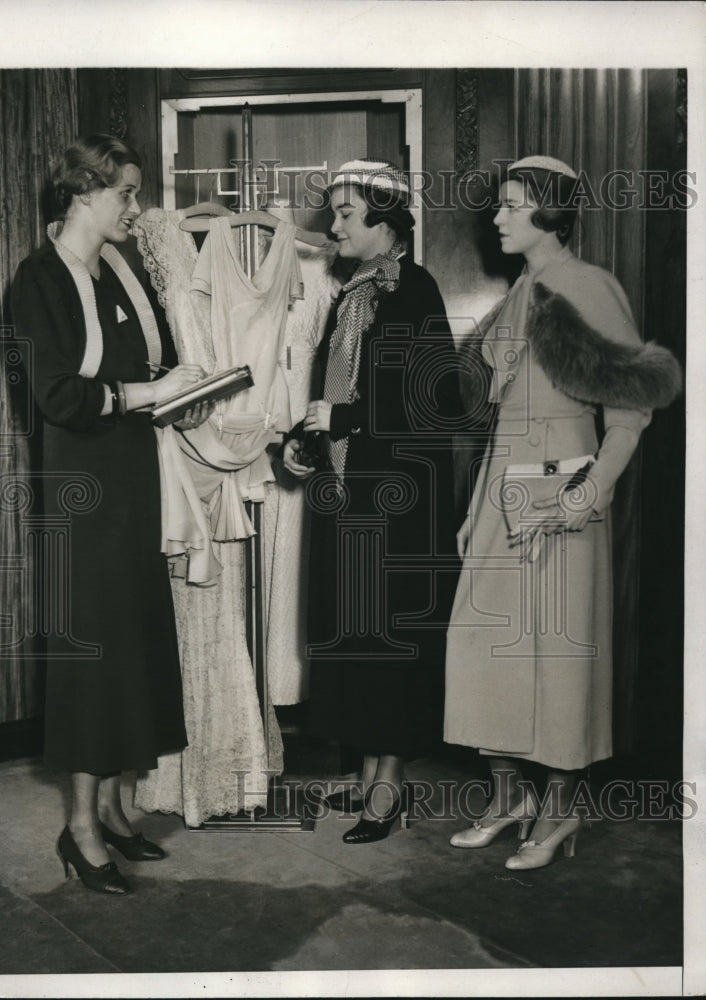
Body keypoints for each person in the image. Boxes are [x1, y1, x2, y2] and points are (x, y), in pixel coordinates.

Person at [444, 155, 682, 870]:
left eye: (512, 204)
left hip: (560, 494)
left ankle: (562, 807)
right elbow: (503, 417)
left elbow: (632, 411)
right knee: (483, 643)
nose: (497, 216)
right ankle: (510, 795)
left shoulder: (587, 287)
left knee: (557, 654)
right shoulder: (522, 289)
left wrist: (589, 491)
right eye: (500, 204)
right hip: (502, 493)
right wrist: (477, 504)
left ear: (549, 211)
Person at [11, 134, 210, 894]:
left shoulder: (121, 272)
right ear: (82, 192)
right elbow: (58, 396)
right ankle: (81, 829)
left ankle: (116, 813)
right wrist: (149, 394)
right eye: (125, 192)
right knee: (92, 655)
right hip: (82, 491)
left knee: (134, 643)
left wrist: (187, 391)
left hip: (132, 479)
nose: (136, 207)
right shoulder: (39, 279)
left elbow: (146, 372)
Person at [283, 159, 464, 843]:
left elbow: (435, 403)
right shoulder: (353, 294)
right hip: (349, 495)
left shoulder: (414, 290)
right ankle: (366, 774)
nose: (334, 227)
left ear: (385, 220)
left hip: (398, 505)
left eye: (346, 214)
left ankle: (388, 784)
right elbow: (334, 392)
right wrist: (303, 441)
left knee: (388, 643)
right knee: (354, 636)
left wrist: (344, 420)